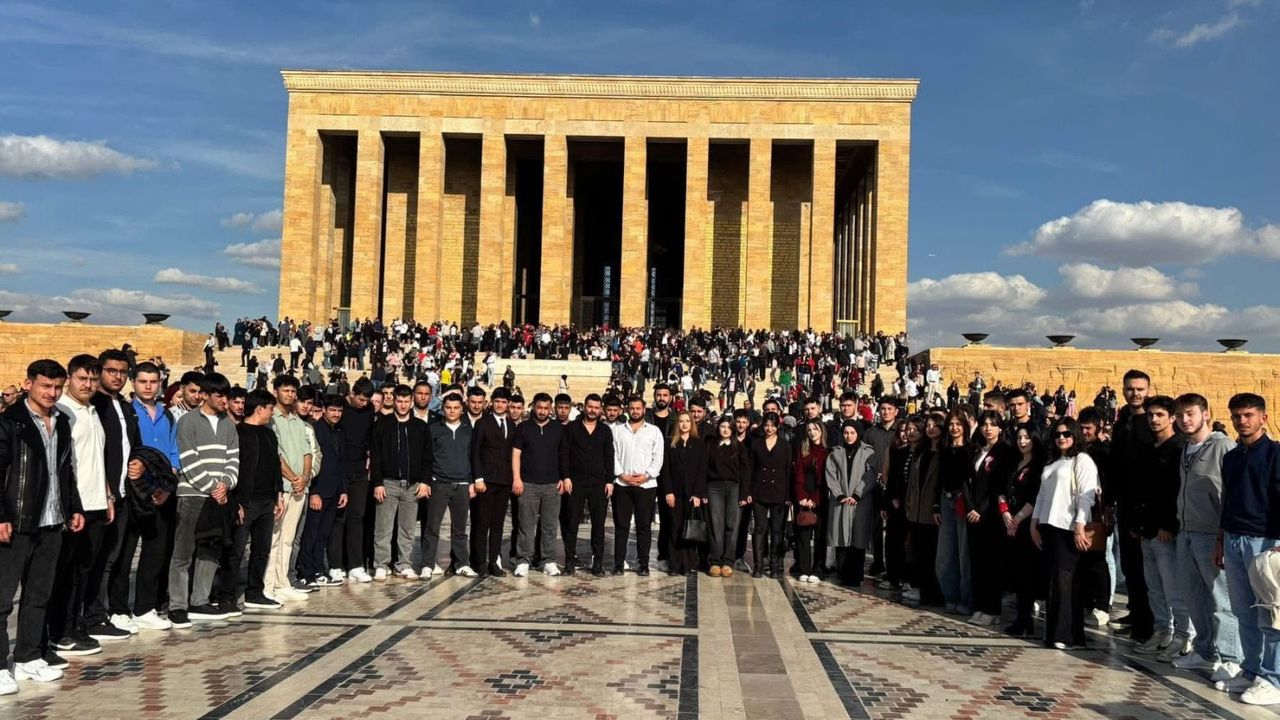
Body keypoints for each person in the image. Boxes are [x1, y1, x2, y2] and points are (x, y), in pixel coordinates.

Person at [0, 360, 86, 692]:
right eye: (45, 386)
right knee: (3, 599)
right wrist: (2, 515)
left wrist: (73, 506)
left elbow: (65, 471)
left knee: (38, 595)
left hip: (52, 521)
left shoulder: (61, 423)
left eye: (56, 387)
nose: (51, 393)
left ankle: (27, 658)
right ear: (28, 384)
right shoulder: (11, 422)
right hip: (18, 521)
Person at [1170, 393, 1241, 684]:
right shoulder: (1186, 447)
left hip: (1211, 533)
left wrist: (1223, 537)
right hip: (1186, 531)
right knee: (1193, 595)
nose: (1185, 420)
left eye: (1190, 413)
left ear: (1205, 413)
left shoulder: (1223, 446)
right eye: (1180, 415)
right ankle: (1204, 650)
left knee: (1221, 599)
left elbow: (1231, 493)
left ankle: (1232, 659)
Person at [1215, 393, 1280, 704]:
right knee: (1243, 610)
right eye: (1237, 416)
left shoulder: (1275, 454)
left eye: (1249, 415)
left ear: (1263, 418)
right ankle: (1252, 669)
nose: (1242, 421)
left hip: (1265, 541)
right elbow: (1227, 499)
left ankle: (1273, 677)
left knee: (1271, 612)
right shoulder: (1232, 456)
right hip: (1234, 537)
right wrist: (1220, 539)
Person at [48, 355, 112, 657]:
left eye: (92, 380)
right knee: (66, 571)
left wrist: (108, 495)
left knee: (85, 570)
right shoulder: (62, 412)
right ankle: (59, 631)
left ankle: (75, 625)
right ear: (70, 379)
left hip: (97, 502)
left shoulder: (92, 411)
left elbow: (96, 459)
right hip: (75, 505)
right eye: (82, 379)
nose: (88, 385)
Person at [111, 361, 178, 632]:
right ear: (133, 383)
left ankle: (145, 607)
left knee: (155, 552)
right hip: (134, 491)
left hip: (160, 492)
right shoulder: (128, 412)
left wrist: (166, 485)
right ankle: (117, 608)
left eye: (153, 382)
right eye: (143, 382)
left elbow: (174, 451)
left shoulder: (167, 414)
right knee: (125, 553)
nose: (148, 387)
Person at [168, 372, 239, 628]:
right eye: (220, 395)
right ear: (206, 395)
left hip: (218, 497)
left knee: (210, 549)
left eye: (227, 396)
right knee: (184, 552)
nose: (225, 400)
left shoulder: (229, 424)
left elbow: (233, 458)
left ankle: (200, 600)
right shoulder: (188, 421)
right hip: (192, 495)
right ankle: (178, 605)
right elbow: (188, 458)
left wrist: (226, 484)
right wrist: (211, 486)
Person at [1031, 418, 1098, 650]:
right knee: (1053, 581)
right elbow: (1041, 496)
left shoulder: (1082, 460)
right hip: (1049, 527)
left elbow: (1086, 496)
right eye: (1058, 434)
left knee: (1067, 581)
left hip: (1068, 527)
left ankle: (1069, 635)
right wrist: (1034, 524)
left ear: (1075, 435)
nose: (1062, 437)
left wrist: (1080, 525)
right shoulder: (1052, 462)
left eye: (1067, 434)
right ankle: (1053, 633)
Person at [1133, 395, 1192, 659]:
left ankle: (1183, 635)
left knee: (1172, 587)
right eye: (1150, 415)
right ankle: (1162, 630)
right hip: (1147, 528)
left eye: (1159, 415)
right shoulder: (1149, 447)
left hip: (1167, 530)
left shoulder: (1180, 447)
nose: (1154, 419)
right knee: (1154, 586)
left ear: (1171, 418)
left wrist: (1168, 524)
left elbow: (1176, 491)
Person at [221, 389, 285, 612]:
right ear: (260, 409)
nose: (272, 413)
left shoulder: (269, 434)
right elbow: (234, 467)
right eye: (270, 409)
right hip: (245, 502)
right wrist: (235, 500)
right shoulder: (238, 433)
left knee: (261, 549)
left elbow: (275, 466)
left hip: (267, 501)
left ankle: (255, 592)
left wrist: (279, 495)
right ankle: (226, 595)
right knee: (236, 551)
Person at [1110, 369, 1155, 641]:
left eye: (1139, 389)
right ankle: (1136, 611)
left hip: (1145, 503)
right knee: (1130, 563)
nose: (1134, 393)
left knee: (1144, 566)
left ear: (1148, 390)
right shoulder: (1124, 419)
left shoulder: (1152, 421)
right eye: (1130, 388)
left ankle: (1147, 623)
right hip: (1125, 502)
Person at [370, 385, 431, 580]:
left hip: (412, 485)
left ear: (411, 402)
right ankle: (381, 564)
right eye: (399, 401)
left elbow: (427, 457)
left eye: (406, 401)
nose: (403, 405)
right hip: (388, 483)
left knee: (407, 528)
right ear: (393, 401)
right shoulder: (382, 423)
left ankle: (404, 564)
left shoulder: (420, 427)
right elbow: (376, 456)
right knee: (383, 527)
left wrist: (425, 481)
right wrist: (377, 482)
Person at [266, 375, 313, 602]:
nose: (291, 395)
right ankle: (268, 584)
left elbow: (307, 452)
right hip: (282, 487)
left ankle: (282, 581)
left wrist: (304, 477)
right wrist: (294, 478)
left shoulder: (297, 421)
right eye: (286, 391)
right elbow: (275, 455)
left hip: (298, 488)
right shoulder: (270, 419)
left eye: (293, 391)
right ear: (276, 392)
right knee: (274, 537)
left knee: (288, 537)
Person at [511, 393, 568, 577]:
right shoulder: (523, 427)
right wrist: (517, 479)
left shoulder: (558, 428)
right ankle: (523, 560)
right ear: (533, 406)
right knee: (526, 525)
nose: (542, 411)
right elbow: (516, 454)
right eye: (539, 407)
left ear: (550, 408)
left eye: (546, 408)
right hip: (528, 484)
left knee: (550, 525)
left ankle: (548, 560)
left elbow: (563, 455)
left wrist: (564, 477)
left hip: (552, 484)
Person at [966, 411, 1013, 626]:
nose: (988, 428)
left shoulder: (1004, 452)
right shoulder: (978, 450)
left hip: (991, 516)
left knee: (991, 564)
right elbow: (970, 481)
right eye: (985, 424)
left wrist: (982, 510)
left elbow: (997, 487)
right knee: (978, 562)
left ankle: (992, 609)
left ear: (1000, 428)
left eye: (993, 424)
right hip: (974, 513)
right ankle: (980, 605)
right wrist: (970, 507)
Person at [422, 393, 476, 578]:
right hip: (439, 483)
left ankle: (461, 563)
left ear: (462, 409)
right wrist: (427, 481)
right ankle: (427, 564)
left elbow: (473, 458)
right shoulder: (433, 429)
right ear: (442, 408)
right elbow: (427, 457)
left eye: (456, 408)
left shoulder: (469, 430)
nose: (452, 411)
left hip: (461, 484)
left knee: (460, 528)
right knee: (432, 526)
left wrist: (471, 482)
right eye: (448, 407)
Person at [297, 394, 347, 588]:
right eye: (332, 410)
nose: (336, 414)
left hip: (334, 491)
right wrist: (314, 491)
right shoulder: (315, 430)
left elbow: (341, 462)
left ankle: (319, 569)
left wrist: (343, 490)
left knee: (323, 534)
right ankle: (306, 571)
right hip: (319, 490)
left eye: (339, 411)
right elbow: (312, 463)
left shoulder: (339, 431)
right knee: (311, 533)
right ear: (324, 410)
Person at [561, 393, 613, 576]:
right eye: (590, 407)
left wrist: (610, 480)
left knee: (598, 524)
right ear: (584, 406)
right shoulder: (572, 428)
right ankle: (569, 562)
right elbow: (565, 454)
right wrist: (566, 477)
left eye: (596, 408)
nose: (593, 411)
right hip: (576, 482)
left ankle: (597, 564)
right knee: (572, 522)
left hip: (598, 483)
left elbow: (609, 456)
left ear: (601, 410)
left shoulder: (605, 431)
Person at [611, 395, 664, 576]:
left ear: (644, 409)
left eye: (638, 408)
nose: (635, 411)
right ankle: (618, 563)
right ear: (627, 409)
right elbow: (613, 454)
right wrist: (621, 474)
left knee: (643, 526)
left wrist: (646, 475)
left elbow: (658, 457)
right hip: (622, 484)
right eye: (632, 408)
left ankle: (643, 563)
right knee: (622, 525)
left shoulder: (654, 431)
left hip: (646, 485)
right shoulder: (618, 430)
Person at [331, 378, 375, 583]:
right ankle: (336, 565)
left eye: (367, 400)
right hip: (341, 468)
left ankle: (356, 565)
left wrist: (369, 455)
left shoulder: (369, 410)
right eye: (361, 399)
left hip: (359, 471)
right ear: (352, 394)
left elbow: (369, 436)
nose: (364, 404)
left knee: (357, 516)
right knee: (339, 517)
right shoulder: (340, 407)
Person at [826, 419, 879, 586]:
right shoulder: (836, 452)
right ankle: (843, 573)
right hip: (840, 501)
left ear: (858, 434)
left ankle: (856, 575)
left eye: (853, 433)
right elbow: (831, 475)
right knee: (841, 537)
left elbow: (870, 476)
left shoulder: (868, 452)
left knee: (858, 538)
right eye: (846, 433)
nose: (849, 436)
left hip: (860, 501)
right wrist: (839, 494)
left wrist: (857, 494)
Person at [659, 410, 707, 576]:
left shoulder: (698, 443)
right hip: (675, 493)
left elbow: (702, 470)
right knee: (674, 527)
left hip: (691, 494)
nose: (684, 424)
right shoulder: (670, 443)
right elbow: (665, 470)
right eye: (681, 421)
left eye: (687, 421)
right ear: (677, 424)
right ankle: (674, 564)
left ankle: (687, 565)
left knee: (689, 530)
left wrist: (698, 494)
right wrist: (668, 491)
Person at [937, 407, 974, 615]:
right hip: (945, 499)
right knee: (945, 554)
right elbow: (939, 479)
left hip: (962, 502)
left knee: (963, 553)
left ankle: (965, 598)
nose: (954, 428)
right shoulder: (944, 449)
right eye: (951, 424)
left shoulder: (971, 449)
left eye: (958, 424)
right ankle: (950, 595)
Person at [903, 415, 943, 606]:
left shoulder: (943, 452)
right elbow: (912, 481)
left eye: (935, 425)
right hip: (917, 511)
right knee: (919, 553)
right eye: (928, 425)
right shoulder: (922, 451)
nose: (931, 428)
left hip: (933, 513)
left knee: (933, 554)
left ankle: (935, 592)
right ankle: (923, 590)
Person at [747, 413, 791, 579]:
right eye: (766, 424)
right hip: (759, 491)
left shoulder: (785, 445)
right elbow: (750, 469)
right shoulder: (756, 444)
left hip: (779, 492)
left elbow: (788, 471)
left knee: (777, 531)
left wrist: (788, 496)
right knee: (759, 529)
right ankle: (758, 565)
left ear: (778, 426)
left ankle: (774, 566)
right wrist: (749, 492)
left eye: (772, 425)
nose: (769, 428)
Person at [706, 416, 749, 578]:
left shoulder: (739, 447)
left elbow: (745, 471)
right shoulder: (710, 445)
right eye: (722, 426)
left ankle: (728, 561)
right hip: (714, 486)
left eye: (728, 427)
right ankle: (715, 561)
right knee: (716, 524)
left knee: (732, 524)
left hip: (734, 487)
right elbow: (704, 466)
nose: (725, 429)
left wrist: (745, 493)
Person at [793, 420, 828, 583]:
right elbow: (798, 474)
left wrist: (814, 499)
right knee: (803, 535)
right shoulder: (803, 450)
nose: (812, 432)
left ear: (822, 431)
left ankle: (818, 569)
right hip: (803, 497)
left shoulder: (827, 451)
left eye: (815, 429)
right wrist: (802, 496)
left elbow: (824, 478)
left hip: (820, 497)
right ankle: (804, 568)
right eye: (809, 429)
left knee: (820, 536)